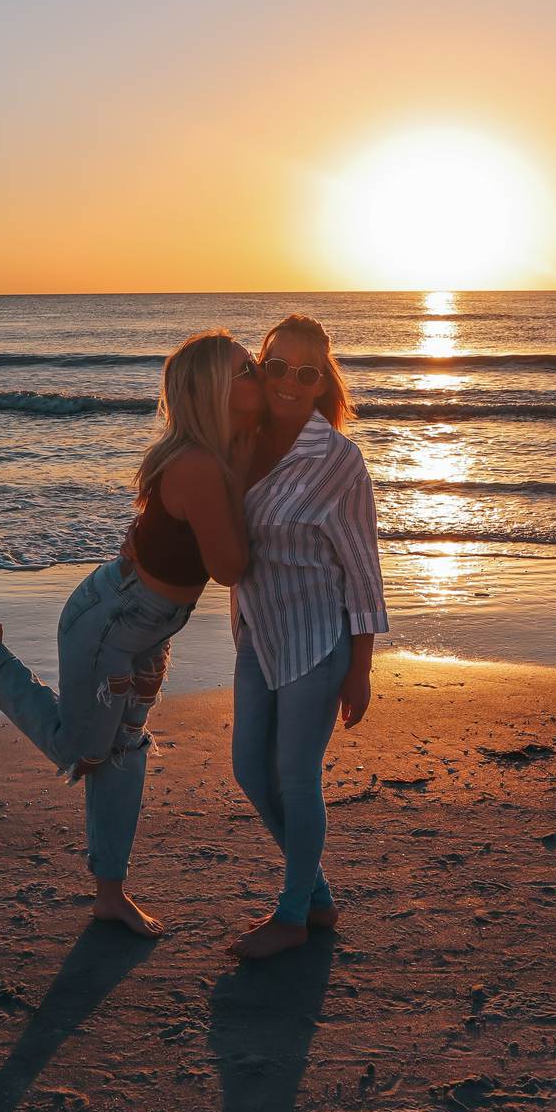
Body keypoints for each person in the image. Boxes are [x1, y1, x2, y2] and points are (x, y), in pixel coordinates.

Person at [0, 331, 262, 937]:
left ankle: (110, 894)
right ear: (213, 390)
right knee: (82, 752)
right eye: (244, 370)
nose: (256, 377)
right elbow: (229, 568)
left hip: (144, 625)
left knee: (122, 753)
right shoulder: (197, 465)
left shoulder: (218, 455)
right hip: (111, 624)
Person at [227, 313, 388, 960]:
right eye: (277, 367)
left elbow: (363, 568)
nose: (290, 382)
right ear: (261, 370)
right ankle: (316, 895)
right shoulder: (242, 440)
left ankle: (293, 915)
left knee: (295, 774)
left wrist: (361, 667)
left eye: (307, 373)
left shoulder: (339, 462)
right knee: (248, 769)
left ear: (324, 382)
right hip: (257, 631)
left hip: (319, 637)